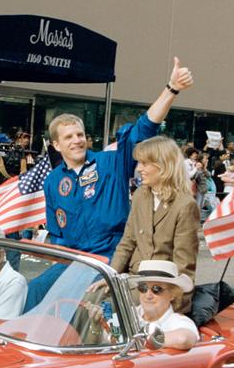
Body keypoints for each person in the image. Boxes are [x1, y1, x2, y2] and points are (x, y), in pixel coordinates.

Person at [43, 57, 193, 259]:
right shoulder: (52, 181)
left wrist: (171, 89)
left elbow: (144, 129)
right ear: (56, 145)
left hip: (111, 257)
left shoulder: (111, 163)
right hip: (73, 260)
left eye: (80, 134)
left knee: (93, 292)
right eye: (68, 137)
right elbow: (56, 232)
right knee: (34, 290)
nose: (76, 141)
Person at [110, 136, 200, 314]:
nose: (139, 169)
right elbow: (128, 241)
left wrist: (175, 312)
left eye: (145, 163)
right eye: (139, 163)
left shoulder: (185, 205)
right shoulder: (140, 196)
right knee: (89, 299)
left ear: (163, 165)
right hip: (134, 280)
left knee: (109, 307)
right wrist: (110, 277)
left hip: (160, 289)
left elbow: (185, 265)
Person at [129, 260, 198, 351]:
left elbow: (183, 339)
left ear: (172, 294)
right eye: (143, 288)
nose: (148, 295)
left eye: (157, 289)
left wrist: (140, 340)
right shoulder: (128, 312)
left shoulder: (178, 321)